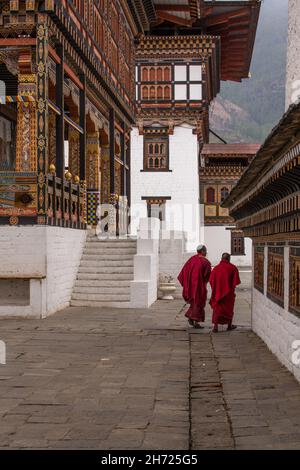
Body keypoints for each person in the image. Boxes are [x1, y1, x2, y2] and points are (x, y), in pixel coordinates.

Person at [178, 245, 211, 329]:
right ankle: (196, 322)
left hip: (190, 287)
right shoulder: (206, 262)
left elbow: (183, 272)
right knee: (199, 303)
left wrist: (186, 284)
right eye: (205, 251)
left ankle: (190, 317)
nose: (206, 252)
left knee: (194, 303)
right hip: (199, 287)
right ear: (202, 251)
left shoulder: (191, 259)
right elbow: (207, 276)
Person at [209, 253, 241, 333]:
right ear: (229, 259)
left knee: (217, 310)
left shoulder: (216, 269)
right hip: (228, 294)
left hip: (217, 293)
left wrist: (217, 289)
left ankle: (215, 327)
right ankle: (229, 326)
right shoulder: (233, 268)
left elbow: (211, 281)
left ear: (221, 258)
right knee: (229, 309)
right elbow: (236, 282)